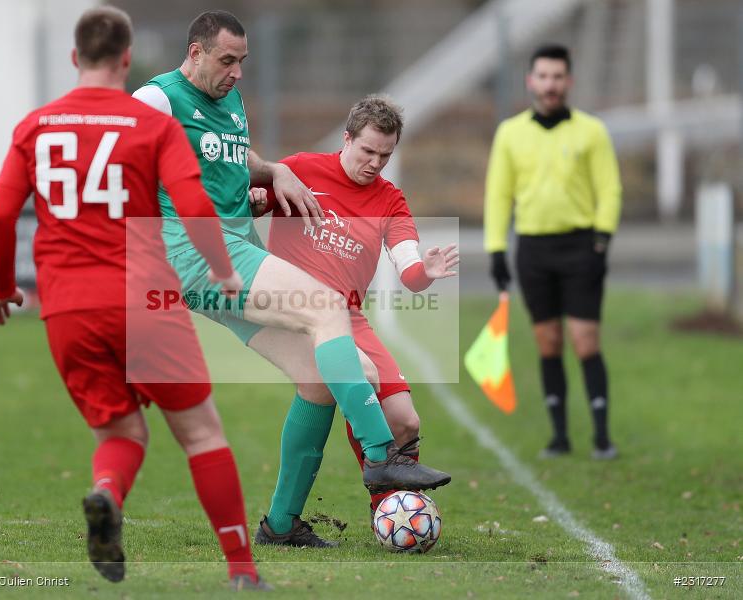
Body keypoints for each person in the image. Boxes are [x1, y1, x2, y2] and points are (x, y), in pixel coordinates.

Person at [133, 10, 451, 546]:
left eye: (243, 62)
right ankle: (381, 458)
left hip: (231, 253)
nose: (237, 73)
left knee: (321, 380)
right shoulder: (159, 98)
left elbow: (238, 157)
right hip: (197, 255)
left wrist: (275, 171)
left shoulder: (228, 101)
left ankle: (280, 526)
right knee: (327, 306)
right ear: (194, 52)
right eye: (226, 60)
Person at [0, 7, 267, 590]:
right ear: (127, 58)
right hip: (145, 298)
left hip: (66, 309)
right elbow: (190, 203)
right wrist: (224, 269)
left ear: (74, 58)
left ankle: (107, 493)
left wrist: (3, 290)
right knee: (202, 434)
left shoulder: (35, 126)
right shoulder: (152, 125)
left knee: (120, 434)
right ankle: (242, 571)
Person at [247, 95, 459, 535]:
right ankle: (368, 486)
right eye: (367, 151)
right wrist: (251, 199)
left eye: (385, 155)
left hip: (349, 316)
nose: (375, 163)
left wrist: (428, 272)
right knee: (354, 377)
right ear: (346, 139)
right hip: (294, 307)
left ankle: (391, 512)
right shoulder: (301, 170)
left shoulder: (390, 200)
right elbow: (247, 205)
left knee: (406, 421)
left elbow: (410, 271)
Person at [483, 44, 621, 460]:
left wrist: (602, 239)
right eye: (542, 76)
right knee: (548, 341)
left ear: (569, 81)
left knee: (585, 340)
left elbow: (609, 188)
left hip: (581, 247)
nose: (550, 85)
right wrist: (495, 250)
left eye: (557, 77)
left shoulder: (591, 131)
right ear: (531, 81)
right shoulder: (510, 132)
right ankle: (559, 437)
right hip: (533, 250)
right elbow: (498, 194)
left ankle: (601, 436)